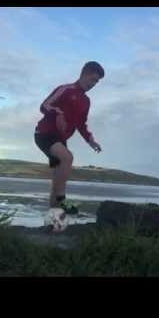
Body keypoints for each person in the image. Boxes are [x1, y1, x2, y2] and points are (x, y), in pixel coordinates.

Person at [34, 61, 104, 217]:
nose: (93, 84)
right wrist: (58, 113)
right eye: (92, 79)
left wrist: (90, 140)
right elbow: (44, 105)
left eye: (97, 82)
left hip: (60, 139)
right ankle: (62, 199)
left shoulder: (86, 101)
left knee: (56, 182)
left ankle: (53, 221)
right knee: (67, 157)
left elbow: (81, 124)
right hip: (44, 133)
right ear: (84, 74)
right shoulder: (65, 89)